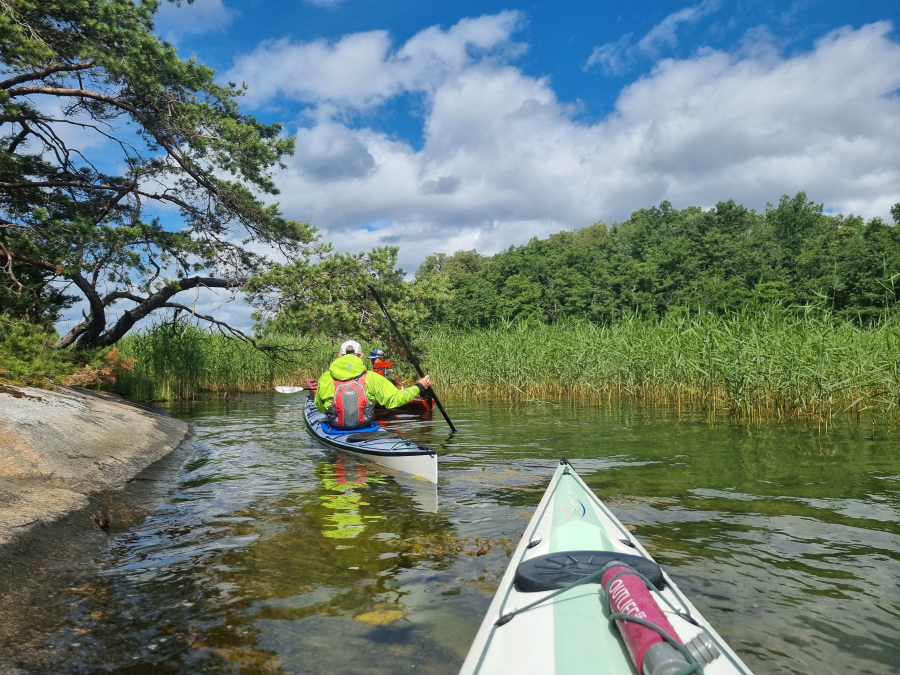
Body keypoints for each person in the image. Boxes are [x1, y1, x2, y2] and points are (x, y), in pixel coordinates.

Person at [315, 340, 432, 430]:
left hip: (335, 425)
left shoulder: (326, 377)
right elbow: (395, 400)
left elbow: (320, 406)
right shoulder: (372, 377)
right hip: (363, 424)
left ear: (340, 355)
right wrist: (419, 387)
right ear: (361, 356)